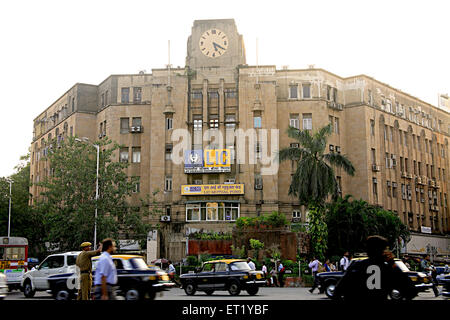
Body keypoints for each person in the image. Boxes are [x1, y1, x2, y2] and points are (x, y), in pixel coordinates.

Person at [333, 235, 418, 301]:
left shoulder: (356, 266)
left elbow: (337, 291)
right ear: (383, 252)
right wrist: (393, 264)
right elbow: (411, 291)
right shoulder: (387, 269)